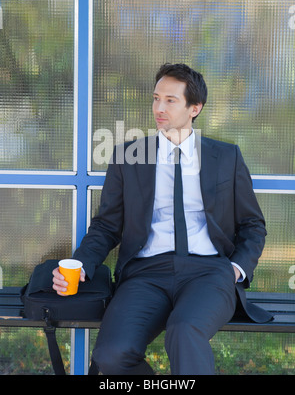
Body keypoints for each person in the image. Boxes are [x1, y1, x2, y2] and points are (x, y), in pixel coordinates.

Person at [52, 63, 272, 375]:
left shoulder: (226, 157)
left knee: (184, 332)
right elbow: (107, 226)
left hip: (209, 273)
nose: (159, 107)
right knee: (112, 355)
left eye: (170, 100)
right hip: (145, 275)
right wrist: (82, 264)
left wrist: (236, 268)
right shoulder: (128, 157)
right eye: (156, 98)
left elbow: (253, 225)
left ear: (195, 107)